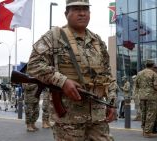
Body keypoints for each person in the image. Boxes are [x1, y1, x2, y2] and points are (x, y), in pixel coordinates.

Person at [26, 0, 117, 140]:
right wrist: (63, 81)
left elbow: (107, 74)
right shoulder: (54, 37)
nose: (82, 13)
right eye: (76, 9)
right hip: (68, 118)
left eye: (85, 9)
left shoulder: (97, 41)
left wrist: (112, 102)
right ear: (66, 13)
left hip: (98, 115)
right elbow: (34, 64)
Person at [135, 59, 157, 138]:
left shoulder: (139, 73)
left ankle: (144, 129)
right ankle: (147, 132)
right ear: (153, 65)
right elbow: (156, 86)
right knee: (151, 114)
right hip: (151, 96)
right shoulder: (154, 74)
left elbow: (137, 84)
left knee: (144, 113)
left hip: (142, 96)